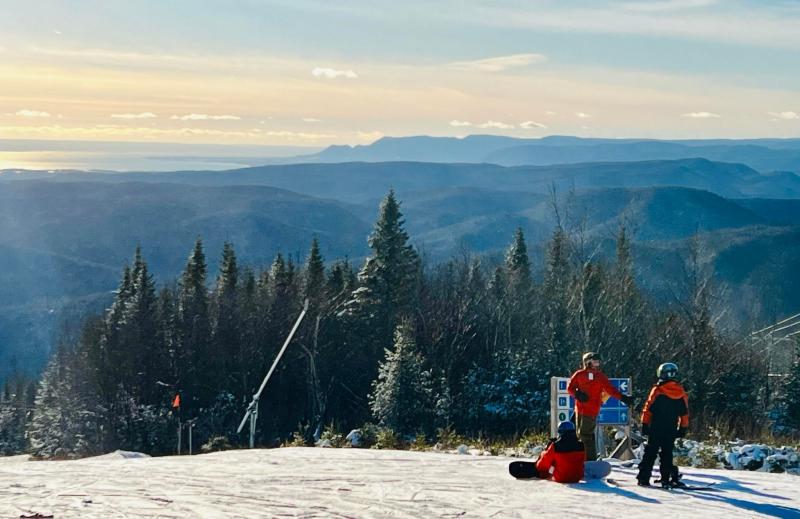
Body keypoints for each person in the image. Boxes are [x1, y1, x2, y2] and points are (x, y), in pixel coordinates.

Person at [567, 352, 634, 460]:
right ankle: (585, 458)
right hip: (579, 409)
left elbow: (610, 390)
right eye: (594, 362)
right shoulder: (579, 374)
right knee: (580, 434)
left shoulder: (600, 376)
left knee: (585, 435)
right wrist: (577, 394)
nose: (597, 364)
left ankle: (589, 460)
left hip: (591, 410)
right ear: (587, 362)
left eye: (598, 362)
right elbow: (570, 387)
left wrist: (623, 398)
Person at [636, 362, 689, 488]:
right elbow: (685, 412)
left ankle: (644, 478)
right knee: (667, 453)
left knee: (650, 452)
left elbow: (648, 408)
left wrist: (644, 424)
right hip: (671, 427)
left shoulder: (658, 390)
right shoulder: (680, 391)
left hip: (656, 426)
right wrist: (683, 427)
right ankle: (666, 478)